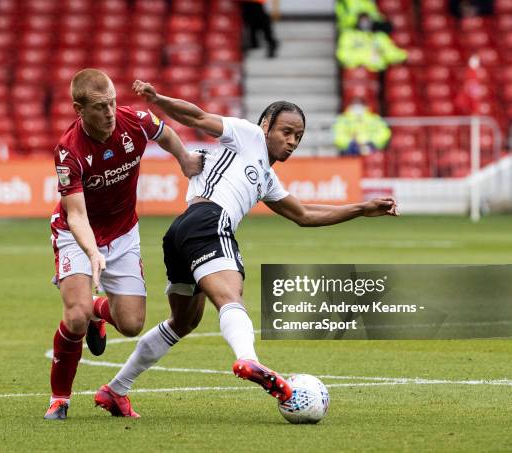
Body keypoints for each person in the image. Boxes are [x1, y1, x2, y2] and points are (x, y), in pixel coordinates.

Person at [91, 80, 399, 418]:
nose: (292, 141)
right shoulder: (246, 134)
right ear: (266, 125)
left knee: (183, 321)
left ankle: (115, 390)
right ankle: (249, 360)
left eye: (298, 136)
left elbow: (305, 214)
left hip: (181, 231)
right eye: (286, 131)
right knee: (230, 298)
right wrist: (158, 99)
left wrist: (361, 209)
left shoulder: (267, 177)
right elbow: (196, 117)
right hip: (209, 220)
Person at [44, 69, 204, 420]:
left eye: (113, 102)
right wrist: (91, 254)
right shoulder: (68, 152)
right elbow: (76, 216)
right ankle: (60, 398)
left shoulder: (134, 122)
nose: (110, 112)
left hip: (123, 234)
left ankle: (97, 312)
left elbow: (165, 133)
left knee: (131, 324)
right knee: (74, 316)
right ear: (79, 109)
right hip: (76, 235)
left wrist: (185, 160)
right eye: (101, 106)